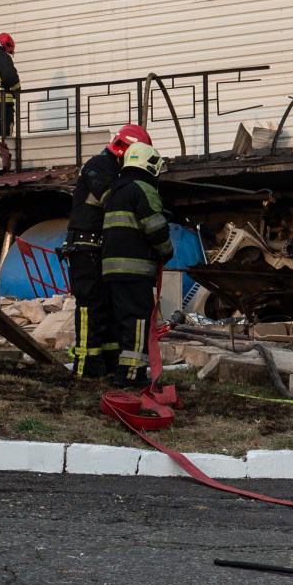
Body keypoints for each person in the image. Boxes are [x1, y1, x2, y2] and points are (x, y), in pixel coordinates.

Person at [63, 123, 153, 380]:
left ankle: (110, 364)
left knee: (111, 308)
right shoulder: (99, 165)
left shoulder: (117, 171)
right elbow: (114, 201)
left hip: (102, 249)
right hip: (86, 248)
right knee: (90, 306)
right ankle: (87, 366)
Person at [101, 141, 175, 388]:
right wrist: (167, 252)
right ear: (149, 165)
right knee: (138, 319)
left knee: (121, 320)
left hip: (111, 270)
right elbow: (156, 228)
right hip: (135, 270)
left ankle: (119, 369)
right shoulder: (143, 188)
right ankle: (132, 374)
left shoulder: (114, 191)